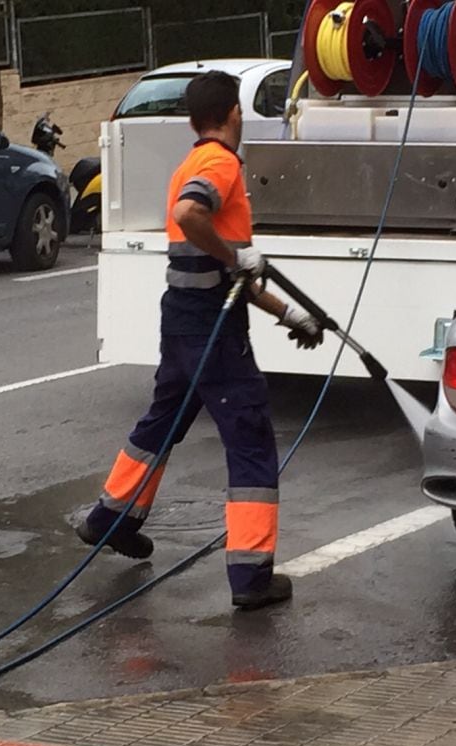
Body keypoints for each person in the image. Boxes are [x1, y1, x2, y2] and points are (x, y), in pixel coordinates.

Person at [77, 70, 322, 610]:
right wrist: (238, 256)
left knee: (163, 422)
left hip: (186, 321)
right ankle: (251, 577)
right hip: (213, 330)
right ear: (234, 113)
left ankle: (109, 520)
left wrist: (290, 314)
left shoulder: (189, 161)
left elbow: (225, 270)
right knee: (251, 439)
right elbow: (194, 217)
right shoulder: (219, 163)